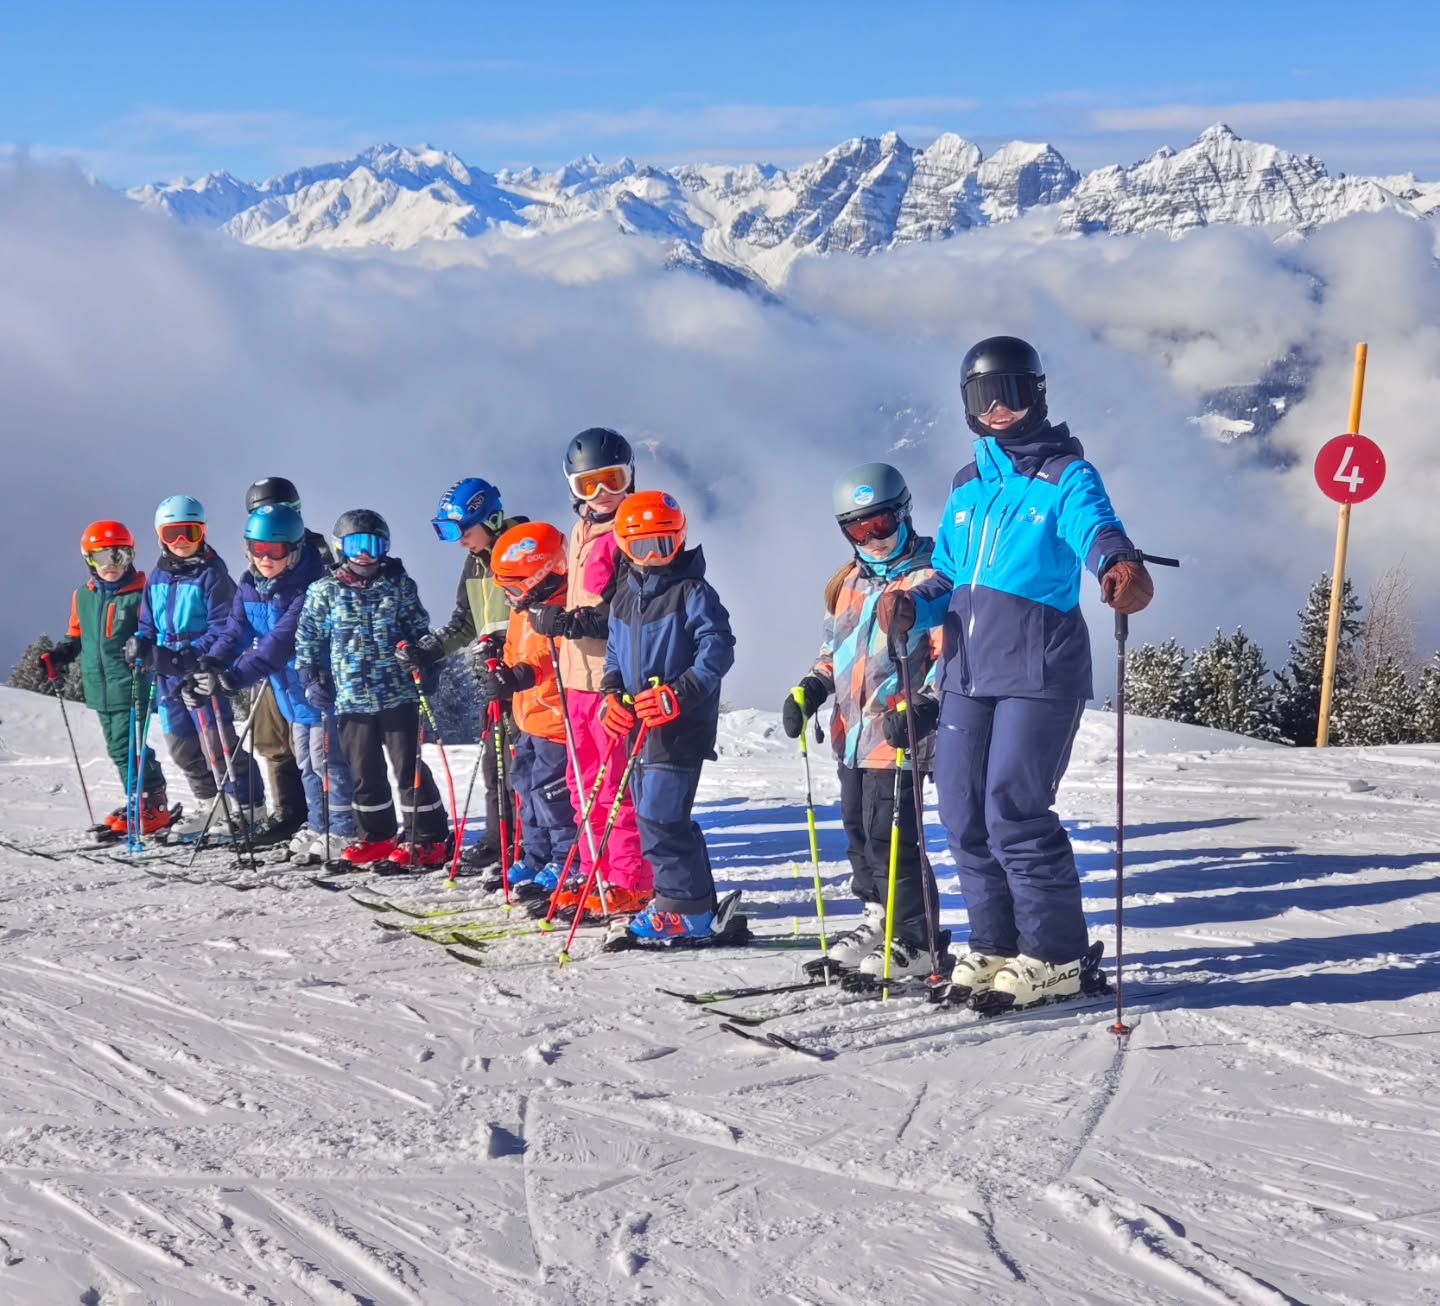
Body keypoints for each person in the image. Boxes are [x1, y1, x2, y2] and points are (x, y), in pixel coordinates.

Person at [876, 336, 1154, 1009]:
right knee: (963, 812)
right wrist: (914, 598)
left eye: (1012, 392)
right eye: (982, 396)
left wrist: (1119, 566)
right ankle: (996, 944)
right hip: (968, 671)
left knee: (1015, 809)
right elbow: (948, 570)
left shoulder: (1066, 475)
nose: (998, 408)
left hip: (1039, 668)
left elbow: (1098, 530)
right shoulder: (967, 485)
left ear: (1038, 394)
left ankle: (1056, 955)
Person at [783, 464, 946, 980]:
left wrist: (924, 703)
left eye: (881, 524)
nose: (871, 538)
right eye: (857, 528)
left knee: (891, 836)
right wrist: (812, 686)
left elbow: (949, 654)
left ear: (904, 513)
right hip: (851, 736)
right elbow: (834, 651)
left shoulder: (931, 574)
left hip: (899, 732)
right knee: (858, 832)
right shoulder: (849, 582)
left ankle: (918, 940)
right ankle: (880, 918)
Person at [599, 491, 737, 945]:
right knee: (653, 816)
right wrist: (611, 694)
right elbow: (616, 652)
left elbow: (717, 648)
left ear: (680, 541)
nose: (653, 557)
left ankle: (685, 909)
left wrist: (681, 694)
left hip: (680, 726)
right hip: (639, 725)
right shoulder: (623, 595)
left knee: (661, 816)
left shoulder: (691, 591)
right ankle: (687, 900)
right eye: (641, 548)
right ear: (623, 546)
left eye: (664, 545)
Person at [529, 428, 654, 913]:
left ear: (631, 479)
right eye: (590, 486)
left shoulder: (632, 535)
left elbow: (630, 608)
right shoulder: (582, 531)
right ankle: (594, 872)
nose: (604, 496)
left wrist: (569, 621)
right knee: (585, 788)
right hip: (576, 682)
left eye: (613, 481)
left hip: (611, 681)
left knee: (615, 785)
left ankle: (630, 880)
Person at [200, 504, 358, 862]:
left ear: (296, 549)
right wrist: (213, 660)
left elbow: (280, 644)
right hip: (291, 694)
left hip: (319, 688)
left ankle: (343, 829)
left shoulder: (311, 587)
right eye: (257, 549)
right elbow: (236, 631)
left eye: (275, 551)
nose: (265, 559)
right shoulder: (249, 583)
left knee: (327, 761)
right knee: (305, 760)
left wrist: (236, 676)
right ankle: (320, 825)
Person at [294, 509, 449, 867]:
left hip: (397, 694)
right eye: (356, 545)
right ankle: (377, 835)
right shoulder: (324, 591)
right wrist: (311, 675)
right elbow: (308, 639)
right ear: (340, 547)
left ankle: (427, 836)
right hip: (351, 699)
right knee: (365, 772)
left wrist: (423, 661)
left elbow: (419, 632)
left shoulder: (398, 585)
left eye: (374, 545)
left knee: (408, 768)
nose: (365, 554)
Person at [396, 478, 524, 875]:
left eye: (462, 531)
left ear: (491, 518)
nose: (459, 541)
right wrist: (428, 650)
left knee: (524, 765)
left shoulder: (523, 548)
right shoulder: (476, 560)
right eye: (448, 532)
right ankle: (498, 840)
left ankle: (527, 845)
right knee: (494, 762)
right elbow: (465, 622)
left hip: (526, 675)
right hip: (493, 675)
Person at [130, 495, 264, 842]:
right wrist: (141, 645)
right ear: (161, 535)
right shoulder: (157, 577)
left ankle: (249, 808)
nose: (181, 543)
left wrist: (183, 658)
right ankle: (211, 805)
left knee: (217, 745)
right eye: (173, 533)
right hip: (167, 675)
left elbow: (225, 630)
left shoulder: (213, 576)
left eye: (189, 532)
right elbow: (147, 622)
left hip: (202, 670)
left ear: (202, 533)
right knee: (182, 747)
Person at [43, 520, 172, 840]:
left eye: (120, 556)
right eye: (103, 558)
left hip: (132, 682)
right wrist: (60, 654)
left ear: (131, 556)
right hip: (99, 686)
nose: (111, 565)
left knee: (131, 747)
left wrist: (146, 649)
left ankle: (152, 805)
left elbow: (155, 632)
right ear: (89, 559)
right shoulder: (82, 597)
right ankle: (138, 800)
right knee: (117, 749)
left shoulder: (142, 594)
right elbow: (76, 635)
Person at [485, 522, 578, 898]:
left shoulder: (563, 609)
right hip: (528, 720)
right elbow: (515, 648)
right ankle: (536, 855)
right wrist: (503, 672)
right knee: (525, 789)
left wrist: (522, 674)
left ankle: (565, 858)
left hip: (555, 722)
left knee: (552, 795)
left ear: (540, 576)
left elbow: (554, 655)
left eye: (513, 586)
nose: (508, 595)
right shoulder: (524, 609)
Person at [237, 476, 331, 843]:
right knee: (273, 738)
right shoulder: (263, 552)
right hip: (270, 666)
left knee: (314, 748)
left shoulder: (313, 552)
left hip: (302, 663)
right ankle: (290, 811)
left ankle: (325, 818)